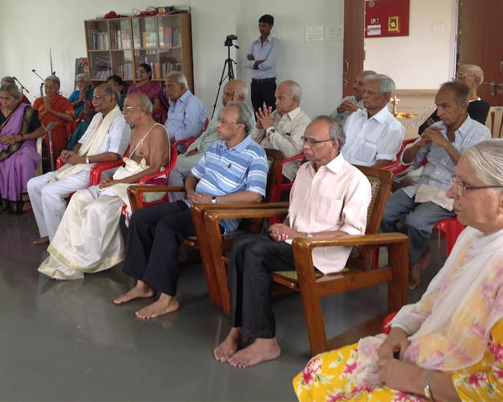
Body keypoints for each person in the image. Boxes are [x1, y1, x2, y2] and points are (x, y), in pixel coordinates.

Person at [293, 139, 503, 402]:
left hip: (455, 383)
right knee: (318, 371)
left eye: (464, 185)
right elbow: (433, 301)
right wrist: (398, 332)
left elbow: (496, 389)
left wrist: (413, 379)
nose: (451, 193)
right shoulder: (473, 235)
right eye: (454, 181)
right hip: (426, 349)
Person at [213, 116, 371, 369]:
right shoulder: (306, 170)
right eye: (304, 140)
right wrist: (285, 229)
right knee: (241, 246)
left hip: (318, 254)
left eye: (312, 141)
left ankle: (266, 341)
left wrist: (300, 236)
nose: (305, 146)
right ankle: (239, 327)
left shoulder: (354, 180)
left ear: (334, 144)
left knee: (255, 252)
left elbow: (352, 233)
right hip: (291, 243)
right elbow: (298, 215)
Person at [114, 102, 269, 320]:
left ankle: (167, 299)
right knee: (141, 218)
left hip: (217, 215)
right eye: (219, 120)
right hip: (193, 204)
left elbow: (255, 195)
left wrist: (213, 200)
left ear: (240, 127)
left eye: (224, 122)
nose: (217, 125)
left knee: (167, 227)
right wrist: (188, 189)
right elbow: (194, 175)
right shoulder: (216, 147)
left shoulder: (255, 154)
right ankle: (143, 285)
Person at [38, 92, 170, 280]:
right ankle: (70, 255)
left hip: (145, 185)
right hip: (124, 178)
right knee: (78, 199)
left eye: (127, 108)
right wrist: (113, 178)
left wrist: (119, 182)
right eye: (123, 107)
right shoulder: (134, 128)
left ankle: (92, 259)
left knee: (97, 210)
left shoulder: (157, 131)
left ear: (142, 111)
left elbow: (155, 168)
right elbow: (128, 163)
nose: (123, 112)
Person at [381, 81, 491, 288]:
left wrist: (446, 145)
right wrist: (420, 144)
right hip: (421, 186)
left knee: (415, 223)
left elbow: (474, 173)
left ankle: (407, 265)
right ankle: (413, 254)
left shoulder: (480, 133)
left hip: (448, 192)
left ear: (462, 107)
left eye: (445, 106)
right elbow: (407, 160)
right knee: (382, 213)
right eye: (437, 106)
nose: (439, 113)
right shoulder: (435, 127)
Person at [28, 84, 130, 245]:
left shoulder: (120, 121)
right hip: (81, 164)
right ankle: (48, 231)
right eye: (93, 97)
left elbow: (114, 154)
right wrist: (73, 153)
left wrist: (83, 160)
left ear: (112, 98)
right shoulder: (97, 117)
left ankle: (61, 242)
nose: (93, 101)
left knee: (50, 191)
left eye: (98, 97)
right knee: (33, 184)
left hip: (100, 169)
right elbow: (81, 142)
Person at [168, 79, 247, 199]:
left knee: (172, 167)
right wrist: (194, 147)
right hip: (200, 151)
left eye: (228, 94)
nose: (223, 97)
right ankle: (178, 200)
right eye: (223, 93)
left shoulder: (245, 118)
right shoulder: (220, 112)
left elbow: (234, 142)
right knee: (167, 161)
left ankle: (177, 203)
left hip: (214, 156)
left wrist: (235, 109)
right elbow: (205, 134)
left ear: (240, 98)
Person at [0, 83, 46, 214]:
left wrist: (21, 137)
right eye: (2, 98)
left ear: (17, 99)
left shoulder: (27, 111)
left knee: (23, 160)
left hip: (24, 143)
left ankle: (27, 198)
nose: (3, 101)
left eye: (7, 98)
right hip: (3, 144)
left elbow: (40, 131)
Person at [341, 74, 405, 167]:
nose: (364, 96)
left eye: (370, 93)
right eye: (364, 91)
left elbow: (382, 165)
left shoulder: (392, 128)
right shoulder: (354, 117)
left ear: (386, 96)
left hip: (361, 177)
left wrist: (354, 178)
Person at [252, 80, 311, 181]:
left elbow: (290, 151)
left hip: (280, 171)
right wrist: (259, 128)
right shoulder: (274, 114)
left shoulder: (303, 122)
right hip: (258, 164)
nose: (276, 102)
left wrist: (270, 129)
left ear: (295, 99)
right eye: (276, 98)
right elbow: (251, 144)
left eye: (281, 98)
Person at [418, 64, 490, 134]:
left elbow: (469, 134)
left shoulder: (481, 106)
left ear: (476, 80)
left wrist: (440, 127)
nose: (456, 80)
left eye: (460, 76)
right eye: (456, 76)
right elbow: (422, 129)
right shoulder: (448, 102)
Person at [32, 75, 75, 160]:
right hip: (39, 132)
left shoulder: (64, 101)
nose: (48, 90)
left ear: (57, 89)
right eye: (46, 87)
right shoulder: (38, 101)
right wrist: (45, 111)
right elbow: (32, 120)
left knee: (55, 141)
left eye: (51, 87)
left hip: (56, 133)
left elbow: (70, 118)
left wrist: (51, 111)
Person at [243, 14, 279, 112]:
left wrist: (253, 62)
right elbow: (245, 63)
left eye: (264, 25)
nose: (261, 28)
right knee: (256, 112)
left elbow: (269, 63)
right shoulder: (254, 43)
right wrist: (261, 62)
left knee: (272, 112)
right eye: (260, 25)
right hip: (255, 83)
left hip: (269, 83)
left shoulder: (275, 42)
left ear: (271, 26)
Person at [163, 72, 207, 151]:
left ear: (182, 87)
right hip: (166, 141)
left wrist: (172, 139)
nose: (167, 90)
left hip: (179, 145)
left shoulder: (192, 103)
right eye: (166, 86)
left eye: (170, 86)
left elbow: (191, 130)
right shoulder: (174, 102)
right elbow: (169, 123)